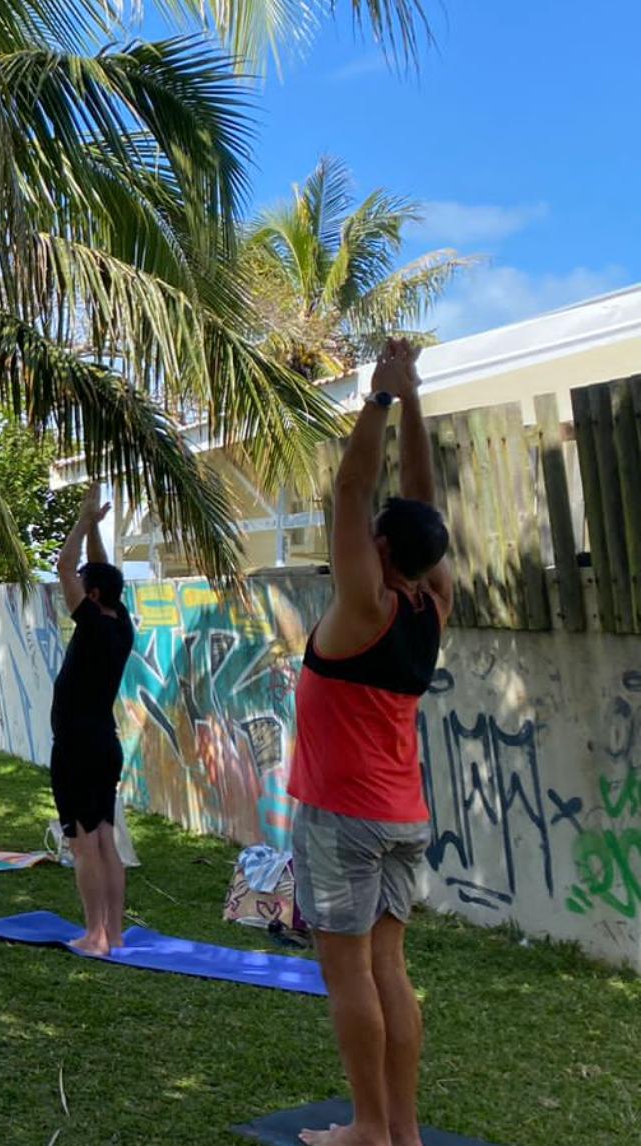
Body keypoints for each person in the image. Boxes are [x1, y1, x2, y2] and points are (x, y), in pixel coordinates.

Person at [290, 338, 451, 1146]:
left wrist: (382, 398)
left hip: (342, 819)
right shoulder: (432, 602)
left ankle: (367, 1127)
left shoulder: (365, 605)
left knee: (348, 972)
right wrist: (415, 398)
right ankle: (402, 1131)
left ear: (381, 548)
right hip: (402, 818)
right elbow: (422, 501)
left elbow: (353, 488)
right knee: (389, 968)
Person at [51, 486, 136, 958]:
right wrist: (96, 531)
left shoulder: (92, 623)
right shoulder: (120, 622)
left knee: (83, 844)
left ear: (93, 594)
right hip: (105, 743)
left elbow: (66, 566)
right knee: (105, 839)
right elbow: (104, 574)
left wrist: (83, 521)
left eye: (85, 585)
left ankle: (95, 936)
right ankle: (115, 933)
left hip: (78, 747)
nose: (76, 586)